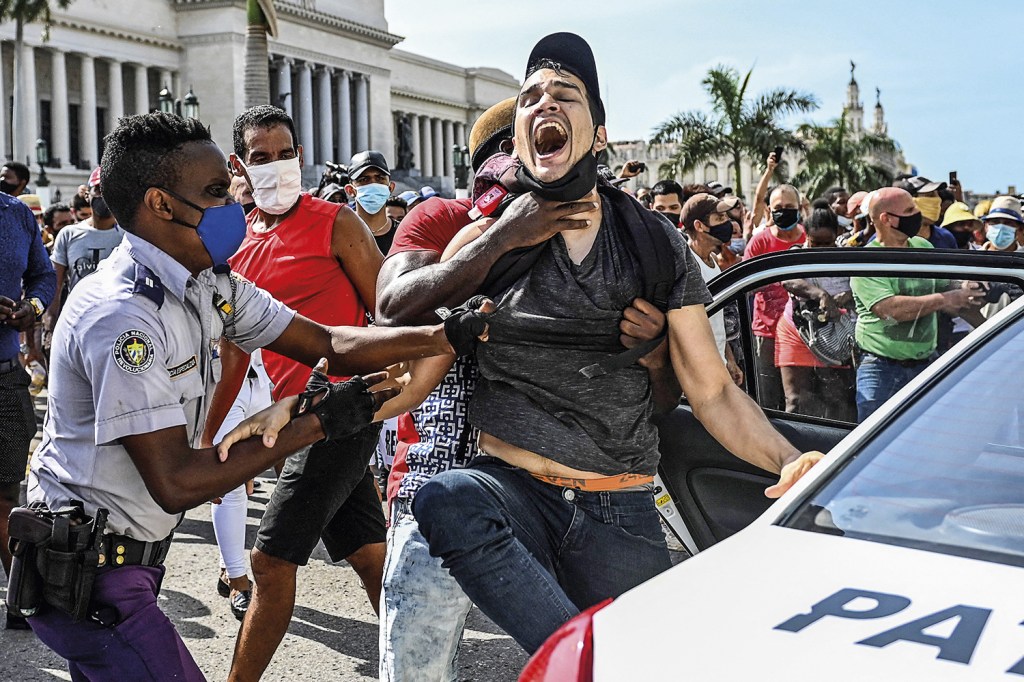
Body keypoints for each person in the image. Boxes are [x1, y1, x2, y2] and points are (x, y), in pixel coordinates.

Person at [23, 111, 477, 680]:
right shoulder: (123, 318)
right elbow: (175, 483)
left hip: (120, 569)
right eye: (217, 192)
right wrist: (315, 423)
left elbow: (327, 341)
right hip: (92, 582)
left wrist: (445, 332)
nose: (234, 206)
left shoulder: (210, 282)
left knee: (362, 549)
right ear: (162, 205)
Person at [409, 32, 822, 654]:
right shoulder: (486, 243)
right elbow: (417, 357)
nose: (544, 105)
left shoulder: (654, 245)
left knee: (648, 660)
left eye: (565, 95)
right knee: (447, 499)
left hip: (616, 509)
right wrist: (313, 413)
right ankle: (579, 662)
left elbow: (710, 390)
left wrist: (788, 460)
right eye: (530, 99)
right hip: (510, 494)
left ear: (599, 133)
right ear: (517, 131)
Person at [369, 94, 681, 680]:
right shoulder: (445, 222)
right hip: (438, 475)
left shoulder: (599, 238)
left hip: (551, 484)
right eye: (504, 162)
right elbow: (393, 312)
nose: (520, 178)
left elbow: (656, 395)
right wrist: (499, 237)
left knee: (600, 649)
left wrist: (656, 350)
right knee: (416, 665)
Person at [215, 106, 389, 682]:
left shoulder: (337, 222)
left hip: (342, 411)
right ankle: (419, 665)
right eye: (259, 158)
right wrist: (210, 432)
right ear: (240, 166)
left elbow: (388, 311)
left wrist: (384, 385)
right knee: (368, 554)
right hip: (292, 421)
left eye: (283, 153)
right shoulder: (236, 244)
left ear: (300, 154)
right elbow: (235, 354)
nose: (275, 166)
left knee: (267, 563)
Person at [850, 187, 983, 421]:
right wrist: (946, 299)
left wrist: (966, 290)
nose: (918, 214)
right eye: (910, 210)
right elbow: (890, 309)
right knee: (871, 442)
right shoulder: (867, 261)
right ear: (887, 219)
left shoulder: (923, 248)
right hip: (881, 369)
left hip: (925, 364)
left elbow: (944, 287)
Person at [0, 190, 54, 630]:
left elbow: (42, 277)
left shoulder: (15, 214)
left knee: (7, 493)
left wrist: (29, 309)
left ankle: (21, 603)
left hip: (5, 378)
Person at [775, 199, 855, 421]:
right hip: (798, 330)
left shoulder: (849, 257)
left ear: (836, 235)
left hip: (837, 334)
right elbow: (789, 280)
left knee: (838, 399)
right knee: (796, 400)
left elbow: (861, 288)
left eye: (827, 243)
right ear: (806, 236)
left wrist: (848, 297)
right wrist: (820, 295)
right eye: (815, 243)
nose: (821, 249)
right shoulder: (797, 253)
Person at [42, 170, 126, 351]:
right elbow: (55, 285)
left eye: (108, 190)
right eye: (98, 190)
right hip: (78, 323)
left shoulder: (129, 235)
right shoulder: (69, 234)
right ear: (87, 195)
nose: (103, 196)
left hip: (120, 324)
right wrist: (49, 328)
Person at [744, 183, 806, 411]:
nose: (784, 211)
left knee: (798, 402)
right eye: (778, 207)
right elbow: (746, 285)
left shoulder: (809, 240)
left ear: (800, 208)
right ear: (769, 210)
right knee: (768, 403)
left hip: (803, 334)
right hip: (766, 332)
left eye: (789, 206)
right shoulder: (759, 242)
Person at [678, 192, 742, 382]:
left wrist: (729, 360)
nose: (727, 223)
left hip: (717, 366)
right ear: (699, 226)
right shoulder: (688, 266)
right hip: (700, 373)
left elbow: (717, 319)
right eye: (720, 218)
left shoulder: (713, 261)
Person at [346, 150, 399, 255]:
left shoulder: (403, 234)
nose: (373, 184)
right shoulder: (340, 234)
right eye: (364, 180)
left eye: (380, 178)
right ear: (350, 190)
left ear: (391, 188)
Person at [901, 176, 958, 248]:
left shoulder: (946, 237)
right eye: (930, 195)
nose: (938, 200)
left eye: (938, 195)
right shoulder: (897, 237)